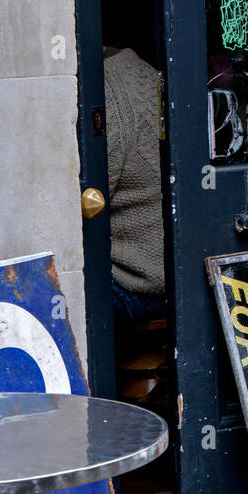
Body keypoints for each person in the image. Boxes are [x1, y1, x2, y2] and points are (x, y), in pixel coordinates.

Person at [103, 45, 167, 324]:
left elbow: (85, 200)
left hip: (141, 284)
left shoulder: (104, 86)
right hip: (179, 275)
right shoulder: (143, 70)